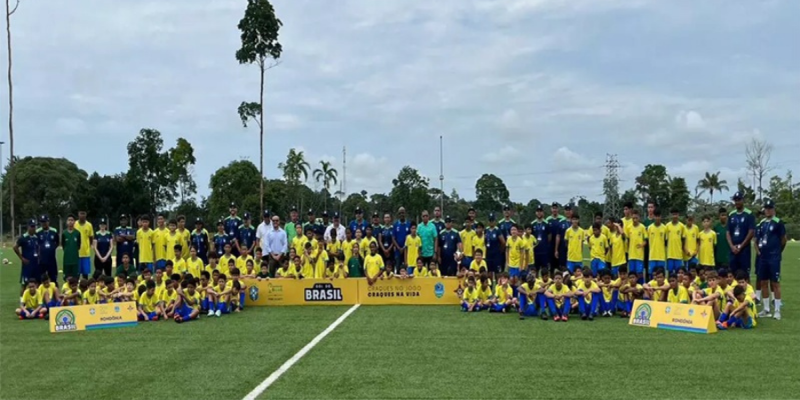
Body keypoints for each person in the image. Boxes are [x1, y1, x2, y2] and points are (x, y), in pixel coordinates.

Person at [756, 199, 786, 320]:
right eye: (766, 208)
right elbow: (758, 240)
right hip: (763, 256)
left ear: (773, 209)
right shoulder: (762, 223)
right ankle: (766, 309)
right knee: (763, 282)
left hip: (774, 257)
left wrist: (778, 251)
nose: (768, 210)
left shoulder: (778, 222)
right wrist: (759, 251)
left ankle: (777, 310)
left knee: (775, 283)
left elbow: (783, 239)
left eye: (770, 208)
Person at [727, 192, 756, 277]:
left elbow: (751, 232)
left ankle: (747, 291)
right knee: (732, 276)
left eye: (739, 200)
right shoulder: (731, 215)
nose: (737, 202)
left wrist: (741, 246)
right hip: (733, 250)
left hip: (744, 250)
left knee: (745, 276)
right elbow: (728, 232)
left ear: (743, 200)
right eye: (735, 200)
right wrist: (732, 246)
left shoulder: (749, 214)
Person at [14, 219, 40, 291]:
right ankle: (22, 301)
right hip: (27, 264)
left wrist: (38, 256)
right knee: (25, 283)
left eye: (34, 226)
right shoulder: (23, 237)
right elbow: (15, 247)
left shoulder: (36, 237)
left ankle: (35, 300)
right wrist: (22, 258)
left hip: (35, 264)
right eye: (32, 226)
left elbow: (38, 248)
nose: (33, 228)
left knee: (37, 282)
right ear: (28, 227)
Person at [35, 215, 59, 284]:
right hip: (42, 260)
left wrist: (52, 248)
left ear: (48, 222)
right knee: (40, 279)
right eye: (42, 222)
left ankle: (54, 294)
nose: (43, 224)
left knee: (53, 279)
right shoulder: (38, 232)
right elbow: (36, 244)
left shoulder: (54, 231)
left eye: (45, 222)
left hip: (51, 259)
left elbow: (57, 242)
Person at [625, 210, 647, 283]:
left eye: (636, 218)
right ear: (631, 217)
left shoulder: (642, 227)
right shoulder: (628, 227)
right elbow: (627, 240)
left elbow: (646, 240)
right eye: (633, 218)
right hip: (631, 255)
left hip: (639, 255)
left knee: (639, 273)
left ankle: (640, 288)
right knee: (631, 274)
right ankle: (632, 290)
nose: (635, 220)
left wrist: (641, 245)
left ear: (639, 218)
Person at [646, 211, 667, 279]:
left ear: (661, 217)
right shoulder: (649, 228)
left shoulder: (664, 228)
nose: (657, 218)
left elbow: (666, 241)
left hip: (661, 256)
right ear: (653, 217)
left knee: (661, 276)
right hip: (652, 256)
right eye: (656, 216)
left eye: (659, 216)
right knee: (652, 276)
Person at [666, 209, 686, 275]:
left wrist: (683, 250)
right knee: (670, 273)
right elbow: (665, 240)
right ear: (671, 215)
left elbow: (683, 240)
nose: (674, 216)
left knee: (679, 273)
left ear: (678, 215)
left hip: (678, 255)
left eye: (676, 214)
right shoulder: (667, 226)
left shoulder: (682, 226)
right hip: (670, 254)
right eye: (673, 214)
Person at [531, 205, 551, 272]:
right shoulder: (532, 224)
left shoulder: (546, 223)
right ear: (535, 213)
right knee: (535, 270)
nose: (539, 213)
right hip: (535, 251)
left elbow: (549, 237)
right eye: (538, 211)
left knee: (545, 271)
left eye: (540, 211)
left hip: (544, 252)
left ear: (543, 213)